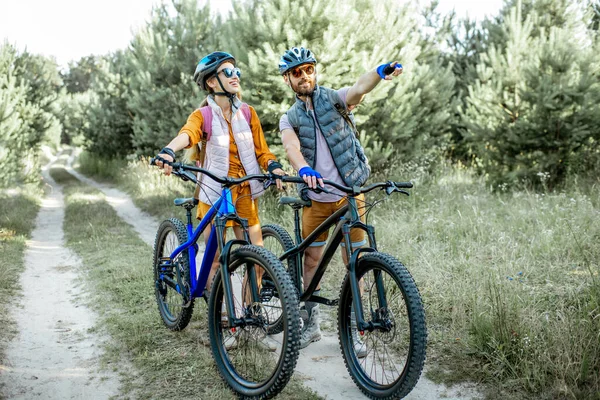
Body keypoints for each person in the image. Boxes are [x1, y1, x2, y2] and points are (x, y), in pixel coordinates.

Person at [278, 47, 403, 351]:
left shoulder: (334, 99)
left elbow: (359, 88)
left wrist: (380, 71)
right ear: (287, 80)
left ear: (315, 71)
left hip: (350, 193)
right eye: (297, 72)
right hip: (317, 200)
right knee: (311, 260)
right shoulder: (289, 117)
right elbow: (291, 147)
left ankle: (356, 327)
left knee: (356, 259)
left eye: (308, 69)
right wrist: (303, 167)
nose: (304, 76)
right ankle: (312, 325)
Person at [155, 51, 285, 299]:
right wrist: (169, 151)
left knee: (258, 257)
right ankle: (223, 318)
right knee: (215, 259)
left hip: (244, 191)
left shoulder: (248, 113)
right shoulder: (202, 115)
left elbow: (262, 151)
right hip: (214, 192)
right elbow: (188, 134)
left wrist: (273, 166)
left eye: (236, 72)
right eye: (227, 72)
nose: (235, 76)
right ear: (211, 82)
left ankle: (250, 313)